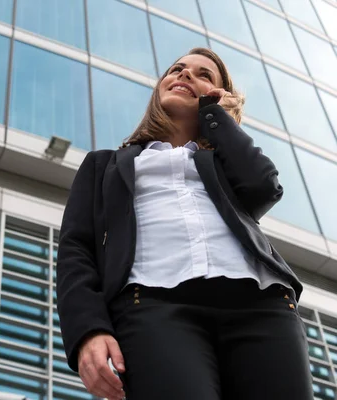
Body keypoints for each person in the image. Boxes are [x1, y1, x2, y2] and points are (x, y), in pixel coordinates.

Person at [55, 47, 313, 400]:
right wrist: (87, 330)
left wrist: (218, 118)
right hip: (153, 308)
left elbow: (262, 187)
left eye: (204, 75)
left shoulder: (224, 163)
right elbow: (76, 248)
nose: (186, 75)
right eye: (177, 69)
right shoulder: (105, 166)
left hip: (261, 307)